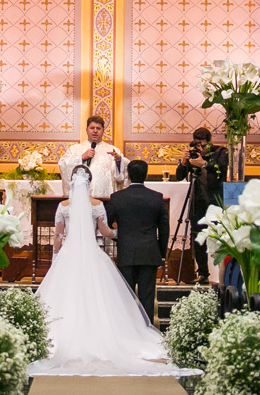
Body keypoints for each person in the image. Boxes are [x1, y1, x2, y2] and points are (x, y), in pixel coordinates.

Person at [27, 165, 199, 377]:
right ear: (89, 183)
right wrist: (123, 233)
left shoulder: (63, 206)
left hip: (68, 256)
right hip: (93, 254)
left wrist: (55, 257)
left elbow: (58, 236)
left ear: (71, 181)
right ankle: (111, 333)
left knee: (67, 293)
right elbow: (106, 232)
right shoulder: (97, 205)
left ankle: (63, 336)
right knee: (99, 295)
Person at [106, 159, 169, 320]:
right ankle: (146, 329)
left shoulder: (117, 198)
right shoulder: (156, 198)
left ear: (128, 175)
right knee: (147, 297)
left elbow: (106, 223)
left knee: (125, 296)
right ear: (146, 175)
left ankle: (127, 329)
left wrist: (120, 239)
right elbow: (164, 229)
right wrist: (161, 253)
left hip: (126, 252)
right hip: (149, 253)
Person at [174, 127, 228, 285]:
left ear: (210, 142)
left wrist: (203, 164)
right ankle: (203, 273)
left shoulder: (220, 152)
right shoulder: (193, 155)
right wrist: (184, 163)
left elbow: (221, 171)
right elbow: (179, 177)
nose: (200, 149)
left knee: (220, 236)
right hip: (198, 200)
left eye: (203, 145)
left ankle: (223, 273)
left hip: (216, 199)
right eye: (197, 145)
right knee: (198, 237)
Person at [57, 115, 127, 199]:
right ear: (86, 130)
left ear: (103, 130)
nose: (95, 131)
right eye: (92, 128)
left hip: (104, 197)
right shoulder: (74, 149)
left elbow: (120, 177)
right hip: (81, 198)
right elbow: (63, 164)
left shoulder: (113, 151)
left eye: (98, 128)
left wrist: (118, 161)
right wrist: (81, 157)